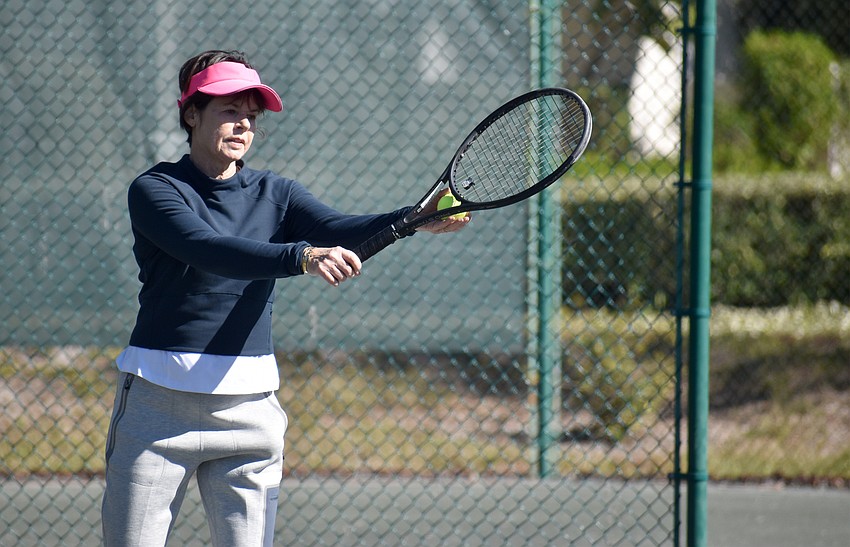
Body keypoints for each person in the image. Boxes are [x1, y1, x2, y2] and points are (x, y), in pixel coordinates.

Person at [101, 49, 469, 547]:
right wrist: (301, 256)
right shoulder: (155, 189)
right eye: (229, 111)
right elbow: (206, 248)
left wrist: (414, 217)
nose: (243, 125)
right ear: (192, 113)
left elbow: (338, 228)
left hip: (252, 410)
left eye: (250, 116)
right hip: (158, 404)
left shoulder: (278, 192)